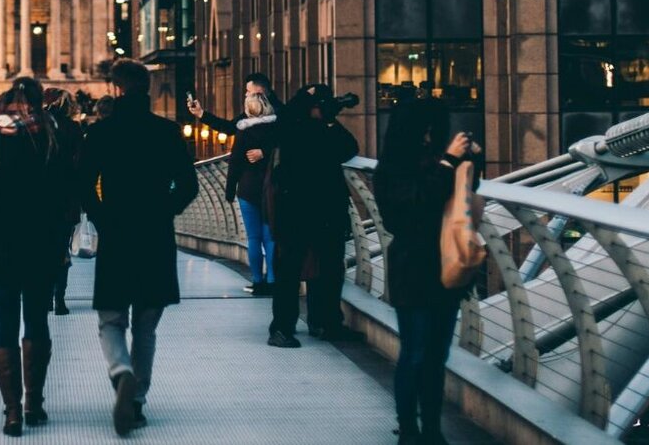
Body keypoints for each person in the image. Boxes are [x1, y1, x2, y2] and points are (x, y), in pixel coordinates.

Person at [78, 59, 199, 436]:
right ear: (146, 89)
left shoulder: (101, 132)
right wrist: (165, 209)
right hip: (155, 236)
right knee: (146, 326)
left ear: (116, 90)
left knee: (111, 319)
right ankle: (137, 402)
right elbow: (189, 185)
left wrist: (102, 217)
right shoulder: (166, 131)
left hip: (117, 235)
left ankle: (121, 372)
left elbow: (83, 184)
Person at [0, 79, 74, 436]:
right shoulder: (51, 137)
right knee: (37, 322)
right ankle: (34, 404)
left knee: (3, 325)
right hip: (40, 245)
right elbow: (67, 191)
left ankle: (12, 412)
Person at [375, 98, 482, 443]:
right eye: (427, 129)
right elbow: (413, 207)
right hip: (412, 268)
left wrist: (471, 161)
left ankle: (433, 429)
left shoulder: (436, 160)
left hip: (444, 268)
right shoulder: (393, 166)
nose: (431, 135)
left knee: (437, 356)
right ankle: (409, 428)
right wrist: (449, 162)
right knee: (415, 352)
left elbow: (462, 198)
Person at [266, 83, 361, 348]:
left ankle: (326, 322)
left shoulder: (325, 128)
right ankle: (282, 328)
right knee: (290, 270)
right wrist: (306, 101)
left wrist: (329, 120)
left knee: (329, 268)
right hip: (296, 208)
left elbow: (349, 148)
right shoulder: (291, 125)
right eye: (319, 106)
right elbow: (285, 124)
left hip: (325, 209)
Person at [190, 86, 281, 294]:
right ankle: (273, 281)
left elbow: (235, 163)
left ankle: (257, 281)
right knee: (270, 237)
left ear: (248, 109)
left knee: (253, 238)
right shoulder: (276, 130)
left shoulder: (243, 131)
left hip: (248, 189)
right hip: (271, 188)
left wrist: (230, 191)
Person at [43, 86, 85, 315]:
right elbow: (81, 165)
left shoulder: (35, 127)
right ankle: (59, 298)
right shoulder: (73, 128)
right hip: (66, 200)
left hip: (39, 201)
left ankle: (44, 296)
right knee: (61, 249)